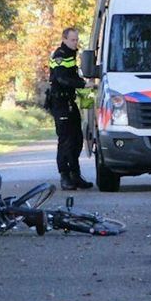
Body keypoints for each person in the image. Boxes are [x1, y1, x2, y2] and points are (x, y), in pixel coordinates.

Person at [48, 27, 93, 190]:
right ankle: (65, 177)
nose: (76, 43)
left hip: (69, 102)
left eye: (77, 40)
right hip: (60, 103)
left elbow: (73, 76)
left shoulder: (71, 55)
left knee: (77, 139)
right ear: (65, 39)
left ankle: (75, 174)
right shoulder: (59, 55)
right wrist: (82, 84)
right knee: (66, 141)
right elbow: (62, 78)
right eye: (73, 40)